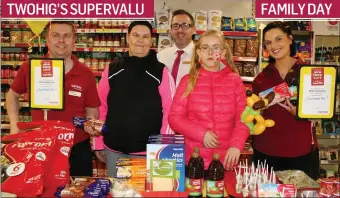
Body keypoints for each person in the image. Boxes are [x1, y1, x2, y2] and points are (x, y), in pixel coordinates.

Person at [6, 21, 101, 177]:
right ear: (48, 40)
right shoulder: (30, 67)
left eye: (67, 36)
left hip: (76, 148)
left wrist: (91, 126)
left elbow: (91, 111)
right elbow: (12, 96)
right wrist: (14, 126)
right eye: (56, 36)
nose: (61, 41)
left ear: (74, 40)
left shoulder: (85, 73)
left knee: (78, 191)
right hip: (39, 146)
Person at [93, 21, 175, 177]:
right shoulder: (112, 69)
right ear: (127, 38)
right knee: (117, 192)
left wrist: (163, 147)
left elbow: (170, 110)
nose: (140, 40)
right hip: (114, 149)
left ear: (151, 41)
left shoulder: (161, 71)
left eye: (145, 37)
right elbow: (101, 107)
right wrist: (98, 142)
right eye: (136, 35)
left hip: (147, 151)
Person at [168, 30, 249, 171]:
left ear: (223, 52)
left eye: (215, 48)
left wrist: (236, 145)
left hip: (225, 160)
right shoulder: (188, 81)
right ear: (198, 53)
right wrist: (201, 134)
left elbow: (244, 118)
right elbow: (174, 118)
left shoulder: (234, 80)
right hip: (194, 160)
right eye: (205, 48)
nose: (210, 53)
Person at [251, 22, 319, 179]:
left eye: (278, 39)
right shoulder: (261, 79)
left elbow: (320, 113)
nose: (274, 46)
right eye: (268, 42)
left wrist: (301, 112)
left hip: (301, 152)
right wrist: (255, 112)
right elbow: (253, 115)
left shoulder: (309, 72)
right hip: (266, 152)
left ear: (290, 39)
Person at [157, 9, 196, 85]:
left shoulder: (202, 57)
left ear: (193, 29)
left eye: (185, 26)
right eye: (175, 26)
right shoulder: (160, 56)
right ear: (171, 30)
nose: (180, 30)